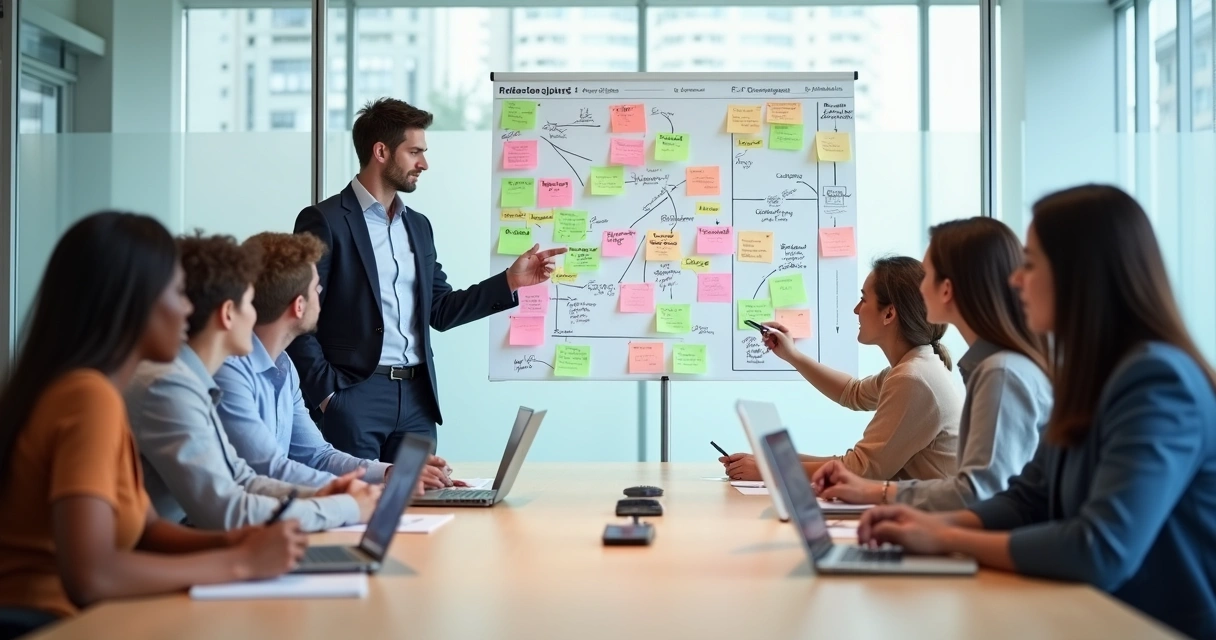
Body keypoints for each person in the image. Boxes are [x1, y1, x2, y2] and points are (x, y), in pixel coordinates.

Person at [857, 185, 1216, 639]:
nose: (1015, 280)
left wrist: (945, 538)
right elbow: (1027, 498)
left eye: (1029, 264)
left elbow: (1099, 548)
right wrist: (923, 523)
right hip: (1086, 614)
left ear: (1079, 276)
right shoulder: (1088, 375)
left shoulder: (1157, 381)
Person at [0, 213, 304, 633]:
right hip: (52, 623)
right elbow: (91, 576)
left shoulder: (101, 393)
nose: (188, 309)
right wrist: (239, 563)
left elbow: (148, 530)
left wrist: (235, 541)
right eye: (177, 292)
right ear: (133, 302)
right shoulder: (88, 398)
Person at [287, 98, 566, 462]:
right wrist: (328, 396)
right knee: (358, 498)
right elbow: (296, 313)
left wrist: (510, 282)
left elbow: (440, 309)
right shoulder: (325, 220)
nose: (424, 164)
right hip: (353, 397)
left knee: (419, 496)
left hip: (417, 401)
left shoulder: (418, 226)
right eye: (414, 152)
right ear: (381, 151)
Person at [126, 233, 383, 532]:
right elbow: (227, 509)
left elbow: (242, 479)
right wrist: (345, 505)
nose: (256, 315)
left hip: (192, 540)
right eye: (249, 302)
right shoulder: (170, 386)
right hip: (176, 545)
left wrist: (330, 494)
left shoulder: (192, 380)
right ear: (228, 314)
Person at [810, 218, 1052, 509]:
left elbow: (978, 494)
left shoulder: (996, 373)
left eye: (926, 276)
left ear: (946, 289)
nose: (919, 289)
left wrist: (879, 493)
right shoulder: (982, 367)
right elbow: (853, 392)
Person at [215, 232, 455, 489]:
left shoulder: (284, 366)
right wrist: (361, 490)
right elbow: (269, 469)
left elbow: (318, 456)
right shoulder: (229, 372)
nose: (321, 295)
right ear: (299, 306)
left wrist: (389, 473)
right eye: (316, 289)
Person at [721, 256, 962, 482]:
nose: (856, 309)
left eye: (863, 299)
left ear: (889, 313)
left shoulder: (913, 379)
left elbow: (860, 469)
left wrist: (771, 470)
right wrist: (791, 355)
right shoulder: (914, 367)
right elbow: (852, 392)